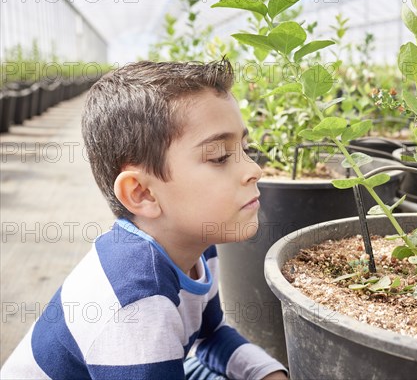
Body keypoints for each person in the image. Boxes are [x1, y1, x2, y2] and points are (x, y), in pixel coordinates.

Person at [1, 60, 288, 380]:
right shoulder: (137, 303)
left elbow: (211, 333)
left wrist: (266, 373)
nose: (254, 170)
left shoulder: (198, 245)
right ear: (142, 193)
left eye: (245, 148)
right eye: (220, 156)